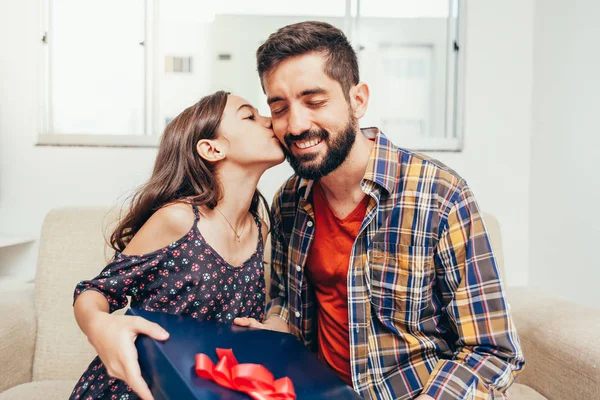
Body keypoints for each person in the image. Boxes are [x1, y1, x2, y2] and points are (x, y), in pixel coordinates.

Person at [234, 21, 525, 400]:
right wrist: (277, 323)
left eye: (315, 101)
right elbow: (288, 303)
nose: (296, 124)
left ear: (358, 100)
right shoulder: (289, 200)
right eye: (279, 107)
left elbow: (493, 351)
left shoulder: (440, 195)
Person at [69, 91, 284, 400]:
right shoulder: (178, 219)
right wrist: (99, 327)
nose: (269, 120)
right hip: (136, 389)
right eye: (250, 116)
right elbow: (96, 291)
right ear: (212, 148)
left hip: (199, 391)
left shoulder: (261, 232)